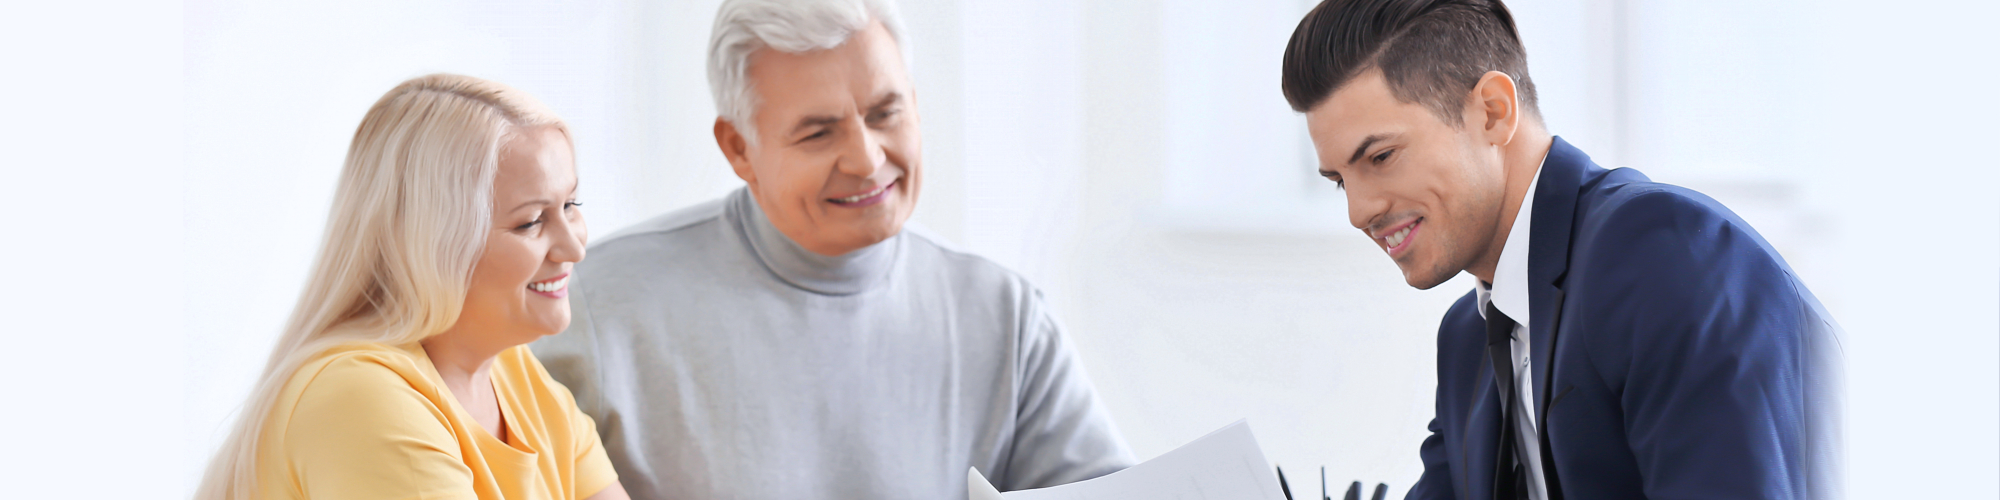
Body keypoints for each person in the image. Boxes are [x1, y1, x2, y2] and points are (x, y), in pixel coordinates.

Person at [527, 0, 1135, 498]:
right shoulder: (595, 305)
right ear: (739, 147)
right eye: (819, 132)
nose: (867, 159)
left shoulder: (1006, 316)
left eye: (885, 113)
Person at [1279, 1, 1843, 499]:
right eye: (1339, 180)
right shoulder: (1469, 340)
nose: (1359, 211)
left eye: (1380, 158)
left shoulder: (1658, 253)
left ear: (1493, 112)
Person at [195, 74, 631, 500]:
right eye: (531, 221)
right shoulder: (363, 398)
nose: (574, 248)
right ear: (432, 242)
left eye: (571, 205)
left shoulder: (515, 375)